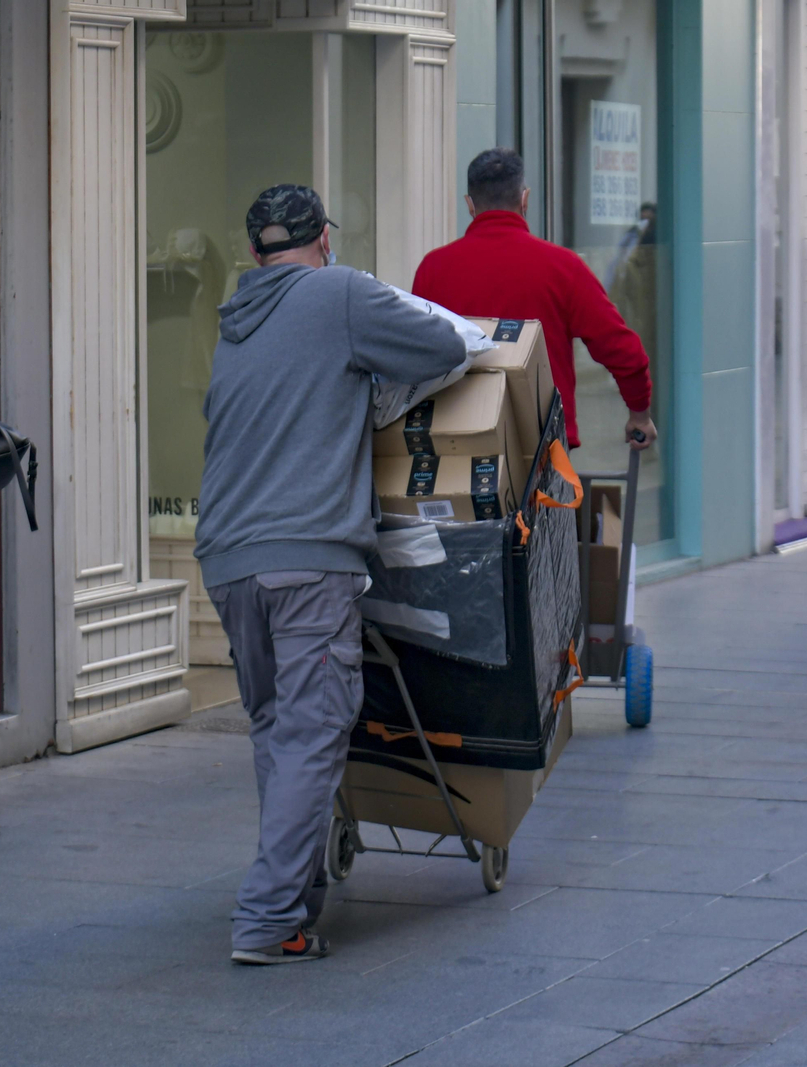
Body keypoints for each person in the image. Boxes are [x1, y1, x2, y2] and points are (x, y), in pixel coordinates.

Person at [195, 184, 467, 965]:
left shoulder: (237, 321)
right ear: (323, 240)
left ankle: (294, 900)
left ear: (256, 252)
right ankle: (266, 915)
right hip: (306, 554)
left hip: (230, 557)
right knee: (314, 733)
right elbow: (445, 349)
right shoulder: (339, 291)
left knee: (280, 729)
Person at [411, 148, 655, 453]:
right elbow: (625, 353)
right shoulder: (563, 268)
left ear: (470, 205)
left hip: (457, 446)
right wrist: (639, 414)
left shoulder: (433, 270)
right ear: (524, 199)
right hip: (543, 449)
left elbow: (415, 360)